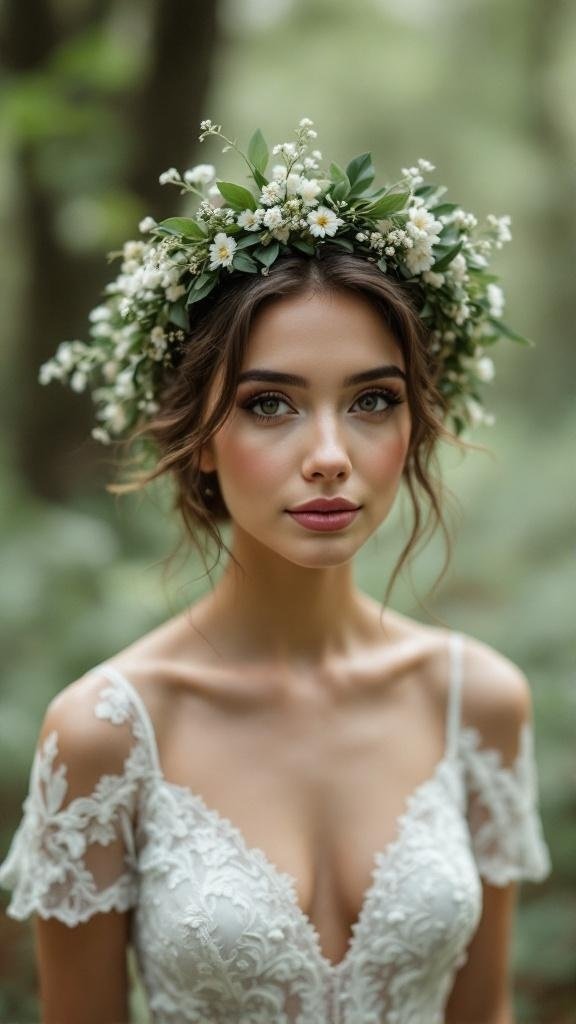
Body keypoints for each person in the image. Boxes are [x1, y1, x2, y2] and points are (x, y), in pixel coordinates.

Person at [0, 118, 552, 1024]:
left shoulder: (477, 702)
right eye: (270, 405)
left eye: (373, 399)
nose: (331, 454)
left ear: (414, 424)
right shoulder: (105, 736)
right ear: (201, 439)